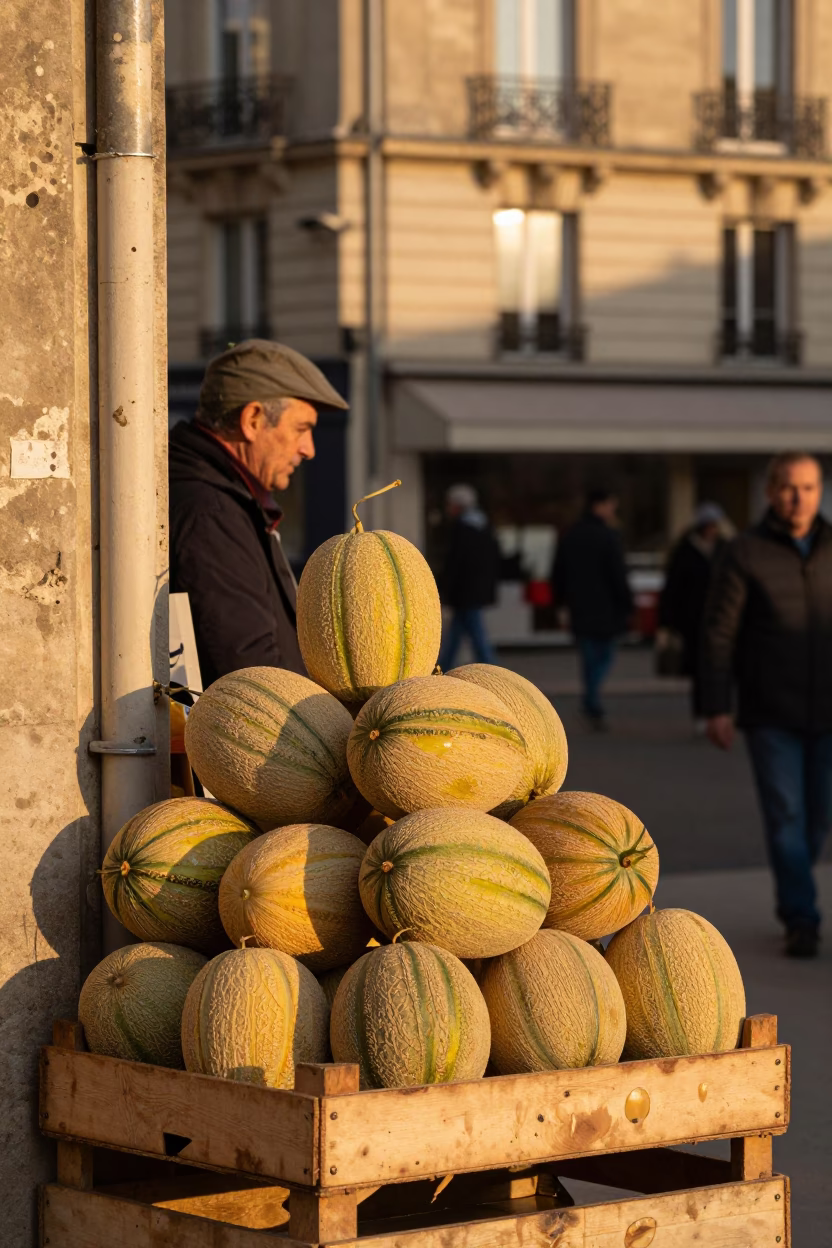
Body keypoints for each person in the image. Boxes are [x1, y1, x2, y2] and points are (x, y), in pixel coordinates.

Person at [701, 452, 832, 958]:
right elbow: (718, 634)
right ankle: (801, 917)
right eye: (789, 487)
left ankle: (798, 892)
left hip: (828, 711)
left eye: (809, 487)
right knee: (787, 816)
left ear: (820, 491)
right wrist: (717, 705)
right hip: (771, 710)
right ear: (771, 492)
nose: (798, 497)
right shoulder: (744, 551)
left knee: (817, 820)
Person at [169, 338, 348, 688]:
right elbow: (249, 667)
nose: (308, 449)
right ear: (252, 419)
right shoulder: (212, 511)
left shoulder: (223, 498)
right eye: (301, 429)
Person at [552, 488, 633, 730]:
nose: (612, 511)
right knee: (605, 656)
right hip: (605, 607)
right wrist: (627, 603)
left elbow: (558, 572)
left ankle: (591, 700)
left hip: (579, 606)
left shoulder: (571, 535)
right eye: (611, 505)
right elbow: (618, 574)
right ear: (599, 506)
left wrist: (560, 603)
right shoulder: (608, 536)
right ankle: (592, 700)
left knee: (589, 659)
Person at [658, 501, 727, 725]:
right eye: (708, 526)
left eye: (715, 526)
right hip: (693, 620)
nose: (712, 530)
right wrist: (668, 621)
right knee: (700, 670)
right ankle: (701, 714)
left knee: (721, 667)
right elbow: (673, 587)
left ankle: (719, 711)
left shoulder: (725, 549)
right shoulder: (686, 551)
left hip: (722, 618)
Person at [437, 484, 501, 670]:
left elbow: (456, 562)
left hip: (466, 592)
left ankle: (492, 671)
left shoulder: (463, 529)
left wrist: (445, 588)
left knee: (475, 634)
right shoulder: (483, 526)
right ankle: (443, 666)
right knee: (458, 633)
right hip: (474, 590)